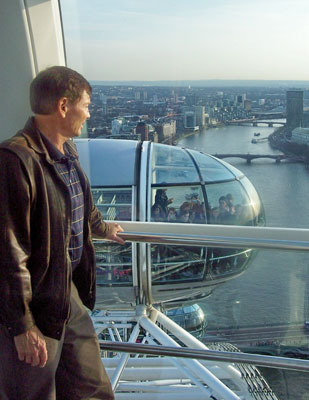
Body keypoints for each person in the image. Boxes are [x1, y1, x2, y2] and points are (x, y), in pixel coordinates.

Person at [0, 66, 125, 400]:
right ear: (63, 106)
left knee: (92, 387)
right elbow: (9, 253)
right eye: (85, 105)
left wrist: (101, 228)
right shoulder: (15, 161)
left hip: (65, 288)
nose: (88, 113)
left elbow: (76, 203)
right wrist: (22, 325)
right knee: (34, 391)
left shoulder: (67, 152)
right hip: (35, 300)